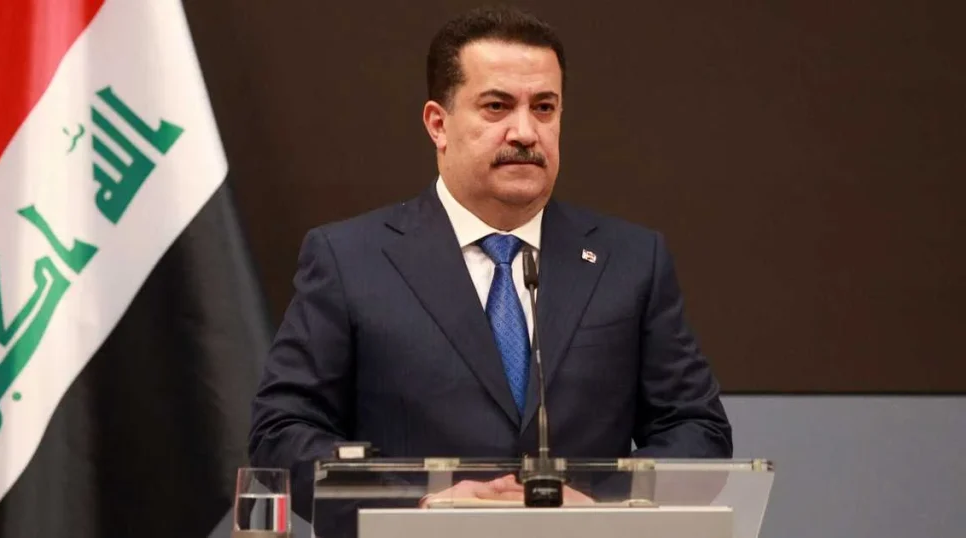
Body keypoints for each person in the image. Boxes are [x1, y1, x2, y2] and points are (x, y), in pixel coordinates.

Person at [248, 3, 732, 527]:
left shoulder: (631, 261)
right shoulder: (350, 259)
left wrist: (603, 508)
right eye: (497, 106)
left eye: (544, 108)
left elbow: (697, 430)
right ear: (439, 124)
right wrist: (419, 505)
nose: (525, 132)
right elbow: (283, 432)